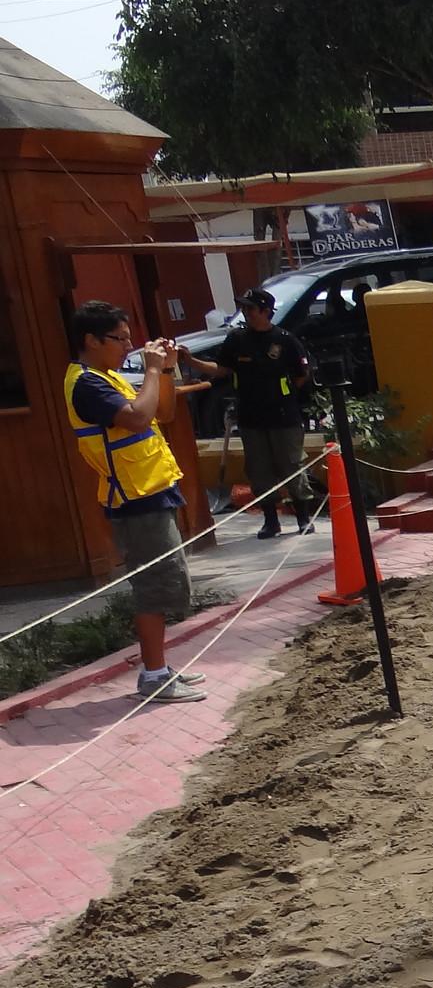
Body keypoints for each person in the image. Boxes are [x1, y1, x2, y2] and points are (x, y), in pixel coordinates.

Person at [62, 302, 208, 704]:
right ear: (91, 340)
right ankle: (154, 676)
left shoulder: (109, 377)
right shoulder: (87, 383)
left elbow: (162, 411)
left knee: (166, 584)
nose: (128, 345)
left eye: (130, 337)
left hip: (152, 489)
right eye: (120, 338)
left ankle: (159, 666)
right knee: (153, 587)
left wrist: (163, 369)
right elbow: (136, 419)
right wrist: (148, 369)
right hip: (133, 498)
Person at [181, 289, 315, 538]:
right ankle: (270, 521)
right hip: (251, 417)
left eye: (251, 308)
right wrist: (191, 361)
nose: (246, 312)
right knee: (259, 470)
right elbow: (221, 369)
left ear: (265, 311)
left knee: (291, 466)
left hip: (284, 417)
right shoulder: (237, 339)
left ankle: (304, 519)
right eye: (244, 307)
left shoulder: (286, 340)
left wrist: (279, 395)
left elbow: (301, 375)